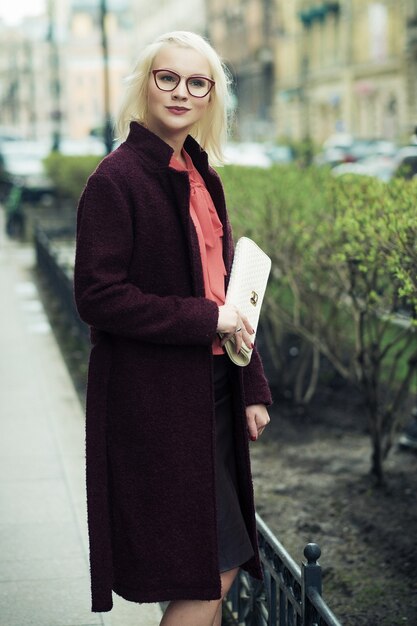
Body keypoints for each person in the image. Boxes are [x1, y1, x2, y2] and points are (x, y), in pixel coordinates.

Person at [74, 31, 272, 626]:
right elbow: (98, 296)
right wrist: (204, 320)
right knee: (207, 572)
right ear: (145, 84)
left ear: (212, 97)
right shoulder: (116, 179)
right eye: (168, 78)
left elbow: (227, 285)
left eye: (197, 82)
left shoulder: (200, 174)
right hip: (155, 405)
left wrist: (252, 386)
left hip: (210, 391)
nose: (181, 92)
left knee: (220, 561)